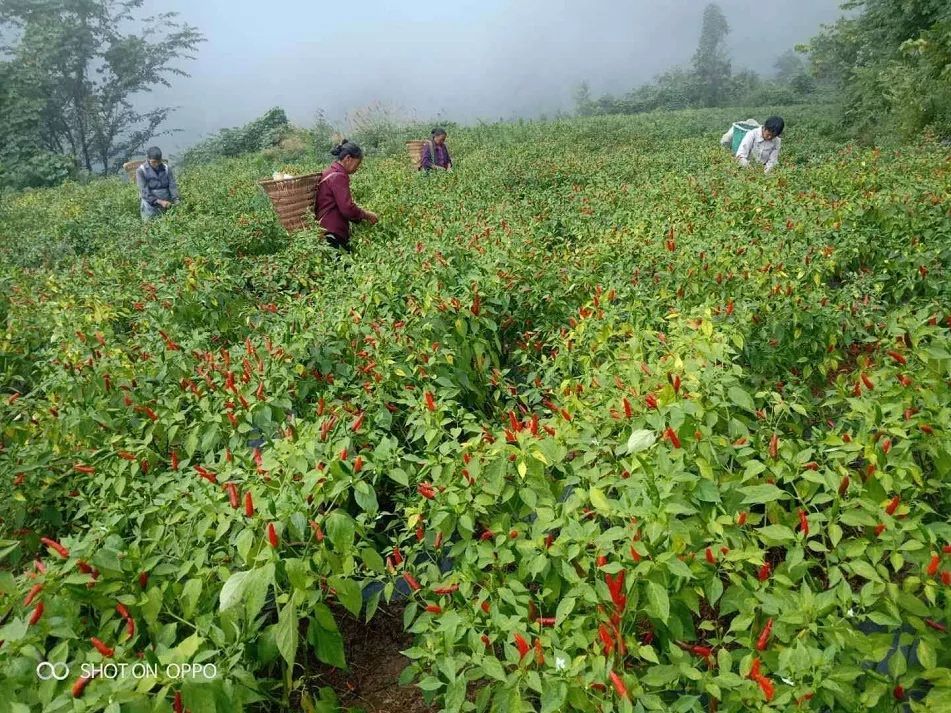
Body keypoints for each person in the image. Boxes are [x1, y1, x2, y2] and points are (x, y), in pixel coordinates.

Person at [314, 140, 378, 252]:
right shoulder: (338, 176)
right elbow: (347, 208)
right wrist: (367, 215)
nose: (357, 168)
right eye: (357, 164)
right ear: (348, 158)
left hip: (324, 228)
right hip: (333, 230)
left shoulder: (329, 172)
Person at [136, 147, 179, 220]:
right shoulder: (141, 171)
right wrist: (159, 201)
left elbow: (172, 185)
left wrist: (176, 199)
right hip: (150, 205)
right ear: (148, 159)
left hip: (166, 202)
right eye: (153, 162)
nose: (156, 164)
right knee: (151, 226)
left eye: (158, 161)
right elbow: (144, 192)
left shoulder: (166, 168)